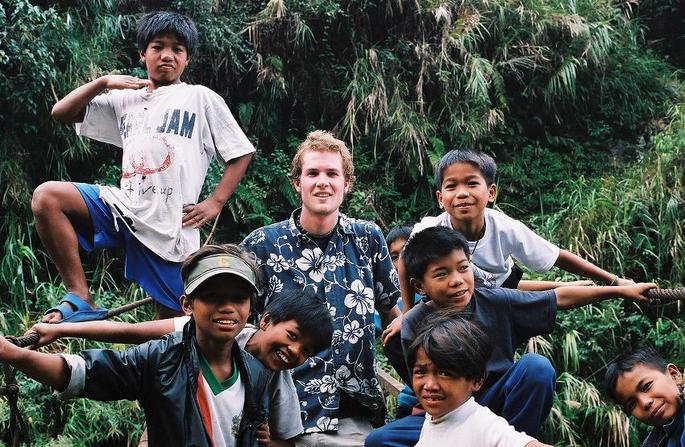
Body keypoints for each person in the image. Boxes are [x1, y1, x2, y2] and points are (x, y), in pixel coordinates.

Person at [34, 11, 255, 322]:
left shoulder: (199, 98)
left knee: (175, 322)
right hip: (125, 207)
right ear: (142, 53)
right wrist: (103, 82)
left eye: (177, 49)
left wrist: (215, 203)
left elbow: (240, 152)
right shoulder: (125, 98)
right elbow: (61, 113)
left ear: (187, 59)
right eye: (157, 46)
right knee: (47, 197)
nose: (167, 55)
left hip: (171, 223)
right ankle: (79, 294)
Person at [365, 226, 656, 447]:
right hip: (447, 413)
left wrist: (618, 289)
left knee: (536, 368)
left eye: (463, 268)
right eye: (441, 274)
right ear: (421, 285)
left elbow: (559, 297)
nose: (457, 280)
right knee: (379, 441)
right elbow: (420, 383)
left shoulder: (494, 300)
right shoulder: (413, 324)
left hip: (497, 403)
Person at [0, 244, 271, 446]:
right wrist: (11, 352)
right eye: (212, 297)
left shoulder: (255, 372)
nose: (227, 308)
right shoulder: (160, 358)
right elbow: (80, 372)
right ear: (187, 305)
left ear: (250, 307)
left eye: (238, 298)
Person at [241, 130, 401, 446]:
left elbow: (396, 318)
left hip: (354, 415)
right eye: (312, 173)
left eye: (332, 173)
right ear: (297, 182)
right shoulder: (261, 245)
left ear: (347, 184)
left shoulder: (367, 239)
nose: (322, 181)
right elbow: (238, 331)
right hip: (280, 416)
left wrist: (419, 384)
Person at [27, 289, 334, 446]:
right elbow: (132, 331)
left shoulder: (276, 380)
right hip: (175, 411)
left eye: (306, 351)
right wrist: (64, 329)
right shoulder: (221, 328)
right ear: (265, 321)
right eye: (292, 337)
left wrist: (266, 440)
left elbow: (287, 438)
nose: (294, 351)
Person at [385, 148, 631, 338]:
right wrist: (407, 314)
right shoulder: (432, 229)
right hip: (458, 296)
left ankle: (592, 288)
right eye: (451, 186)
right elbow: (406, 261)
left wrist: (613, 279)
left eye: (471, 183)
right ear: (441, 198)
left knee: (545, 298)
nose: (461, 193)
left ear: (490, 193)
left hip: (502, 288)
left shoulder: (505, 227)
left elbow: (557, 256)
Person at [410, 310, 552, 447]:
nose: (429, 385)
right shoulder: (434, 417)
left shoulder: (484, 425)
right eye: (421, 372)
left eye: (445, 373)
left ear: (476, 380)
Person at [605, 346, 684, 447]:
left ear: (674, 375)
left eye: (646, 386)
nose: (645, 403)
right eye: (632, 404)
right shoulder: (654, 442)